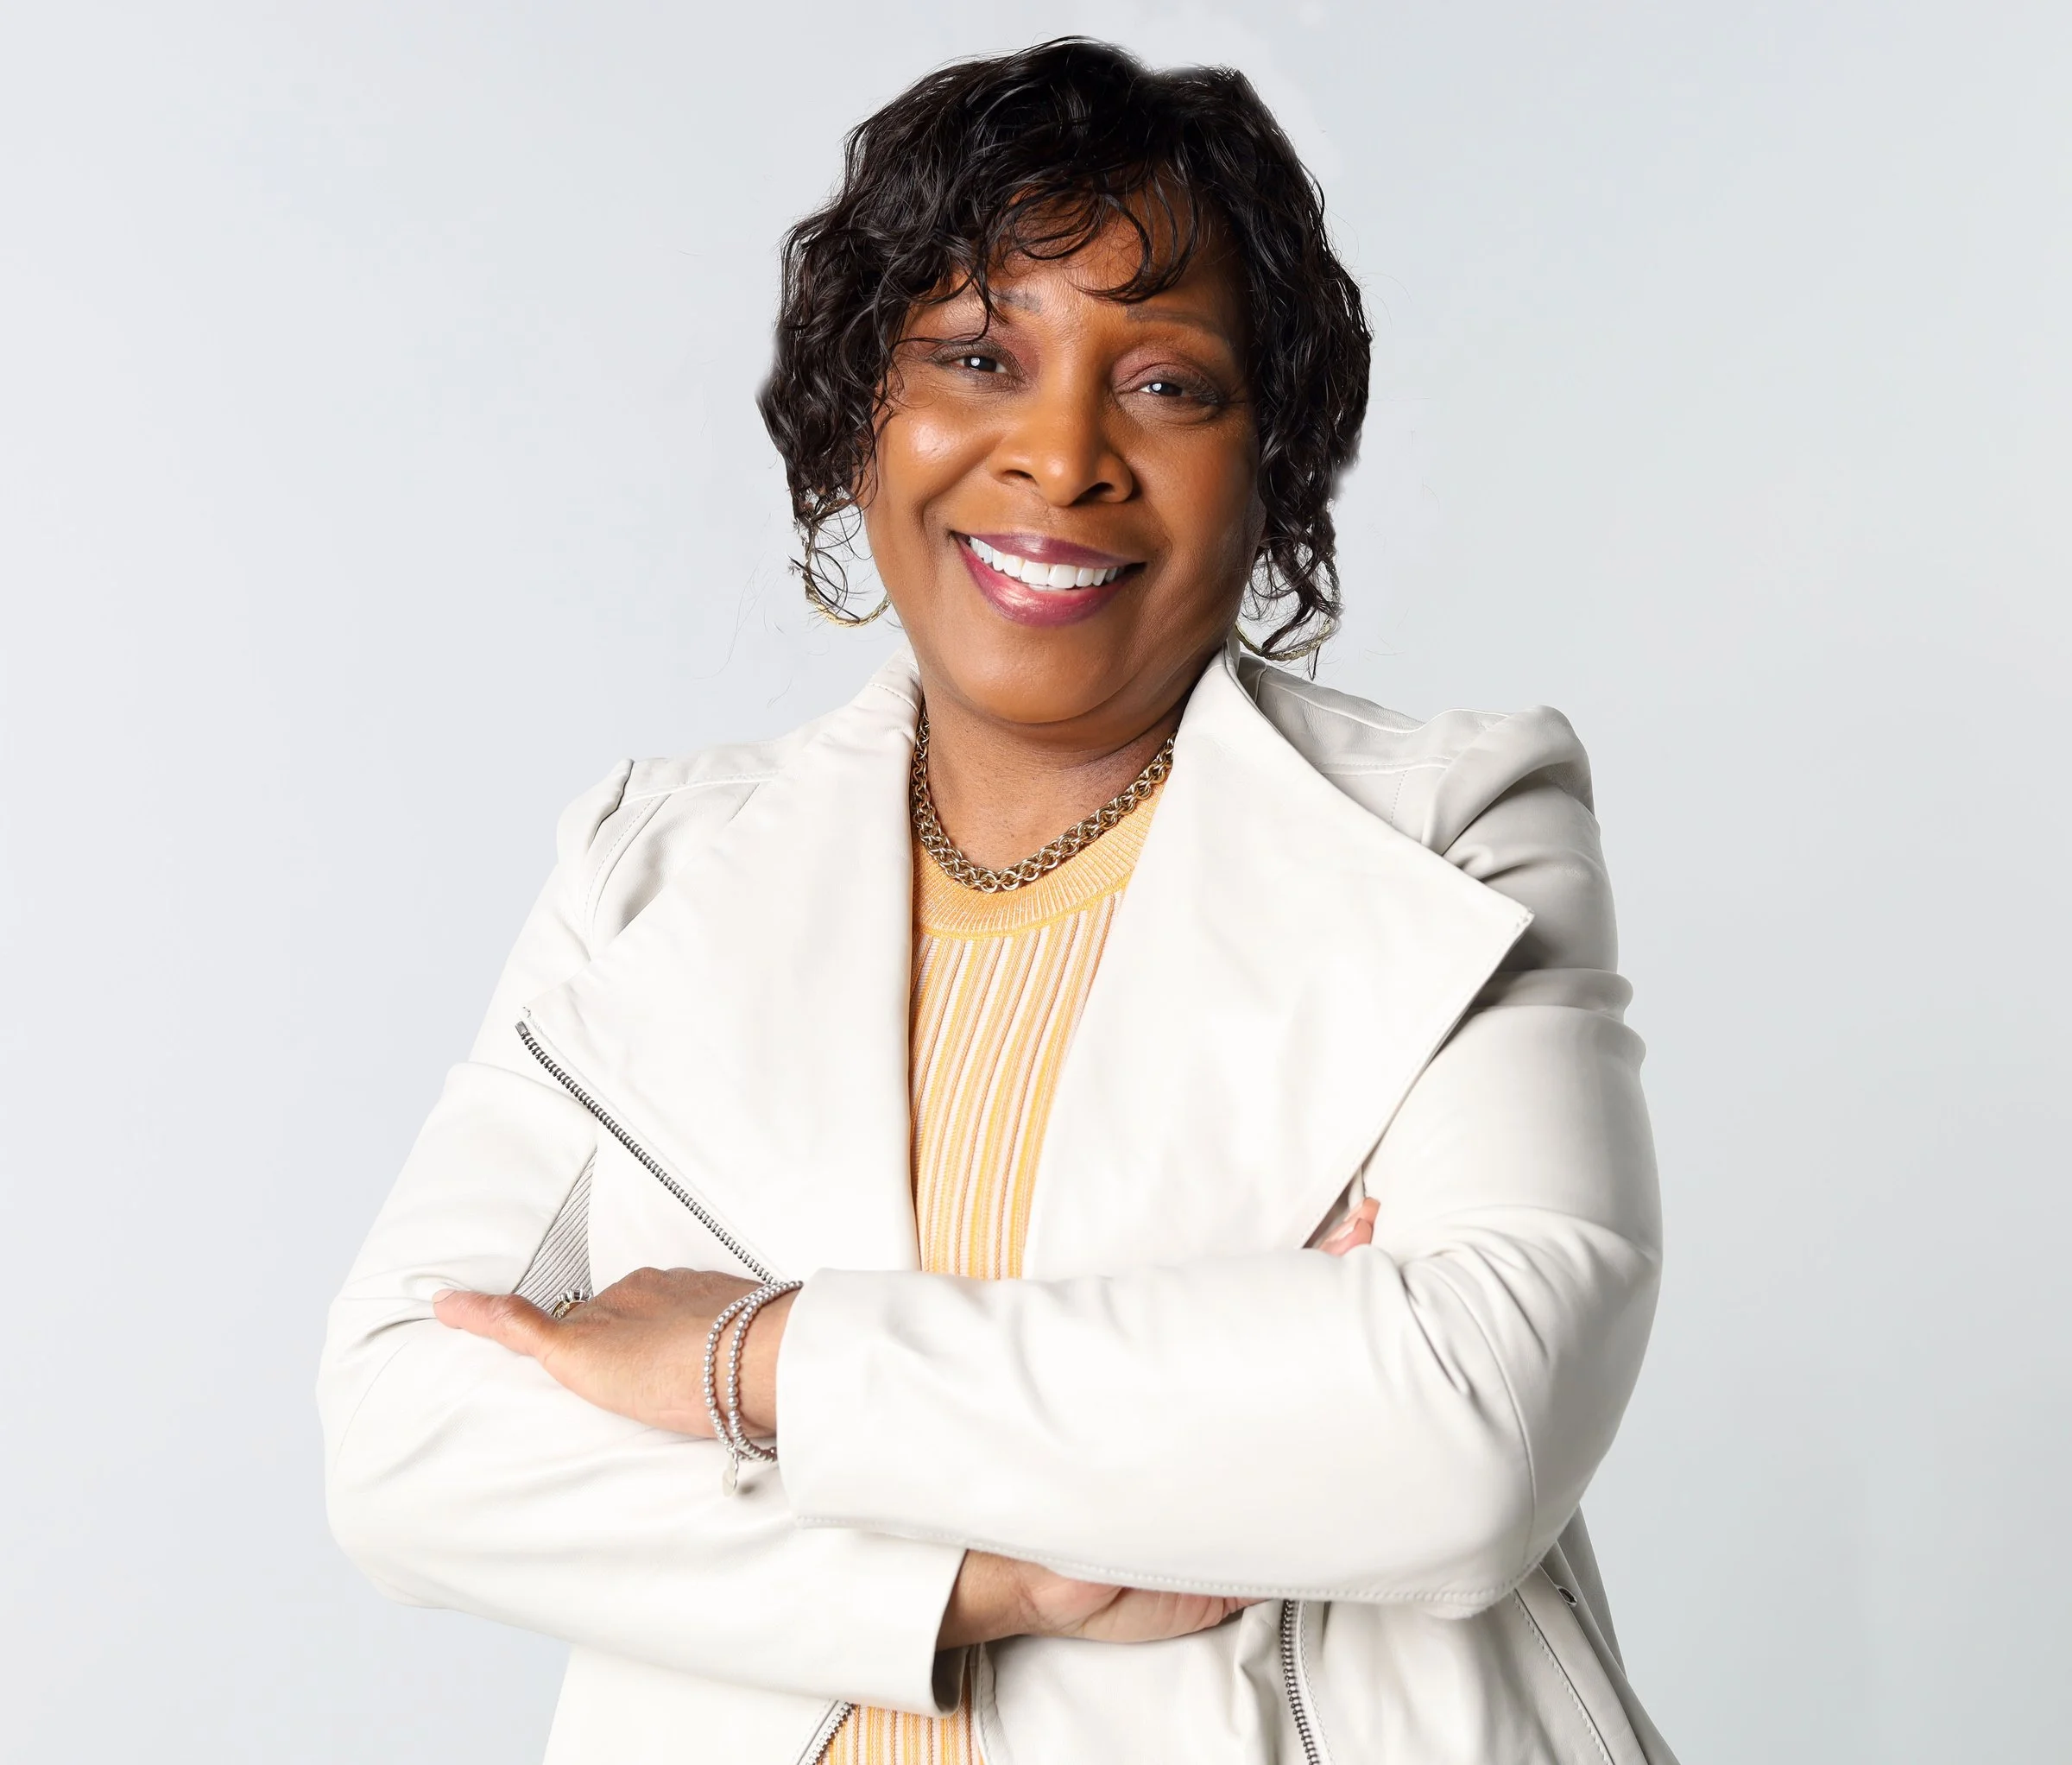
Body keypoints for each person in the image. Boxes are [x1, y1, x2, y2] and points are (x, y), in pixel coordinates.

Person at [320, 38, 1675, 1765]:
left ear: (1271, 463)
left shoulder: (1452, 827)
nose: (1060, 455)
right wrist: (991, 1574)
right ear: (859, 421)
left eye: (1167, 384)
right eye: (977, 356)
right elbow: (410, 1436)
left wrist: (751, 1360)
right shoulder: (648, 861)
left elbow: (1464, 1432)